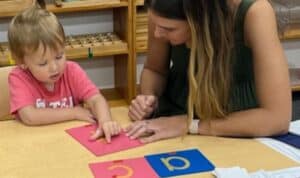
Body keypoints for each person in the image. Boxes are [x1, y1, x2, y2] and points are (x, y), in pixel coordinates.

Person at [125, 0, 292, 143]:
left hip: (238, 130)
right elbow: (154, 70)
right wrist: (148, 98)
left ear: (200, 22)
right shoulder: (163, 9)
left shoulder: (255, 13)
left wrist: (190, 125)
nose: (157, 34)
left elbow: (277, 119)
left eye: (169, 29)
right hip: (173, 122)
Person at [8, 5, 121, 143]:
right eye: (43, 63)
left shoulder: (72, 70)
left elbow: (96, 99)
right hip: (35, 143)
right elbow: (29, 116)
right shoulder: (18, 77)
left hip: (70, 142)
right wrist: (73, 112)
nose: (55, 67)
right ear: (22, 63)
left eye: (59, 56)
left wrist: (105, 120)